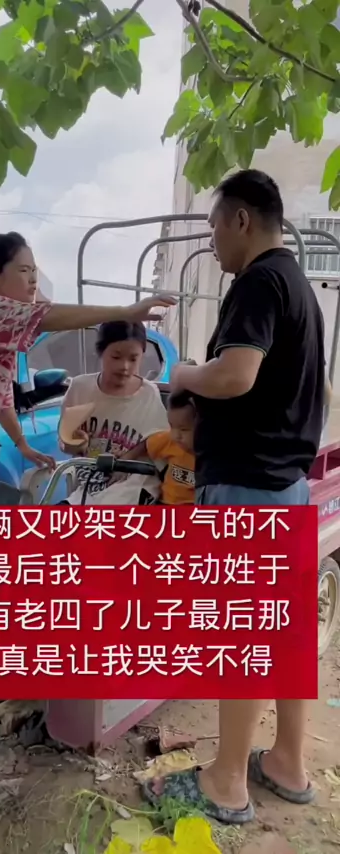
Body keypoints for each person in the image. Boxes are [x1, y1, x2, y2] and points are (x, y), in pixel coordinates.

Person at [145, 170, 328, 824]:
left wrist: (182, 374)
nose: (213, 240)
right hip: (285, 484)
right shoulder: (299, 287)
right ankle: (287, 762)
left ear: (242, 220)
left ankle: (225, 783)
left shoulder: (258, 281)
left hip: (250, 487)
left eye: (214, 225)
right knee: (285, 629)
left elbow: (235, 374)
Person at [0, 232, 175, 503]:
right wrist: (125, 312)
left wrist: (22, 444)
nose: (32, 279)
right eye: (23, 270)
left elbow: (0, 396)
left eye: (34, 270)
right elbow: (47, 315)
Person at [58, 320, 169, 505]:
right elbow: (64, 442)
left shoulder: (148, 393)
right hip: (88, 485)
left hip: (133, 484)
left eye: (133, 359)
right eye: (116, 357)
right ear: (101, 352)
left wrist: (126, 459)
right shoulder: (79, 388)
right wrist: (74, 444)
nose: (125, 366)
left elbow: (159, 440)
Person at [118, 390, 195, 505]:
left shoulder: (214, 455)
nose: (175, 435)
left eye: (184, 429)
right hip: (166, 503)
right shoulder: (169, 440)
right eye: (171, 426)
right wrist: (124, 460)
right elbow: (146, 444)